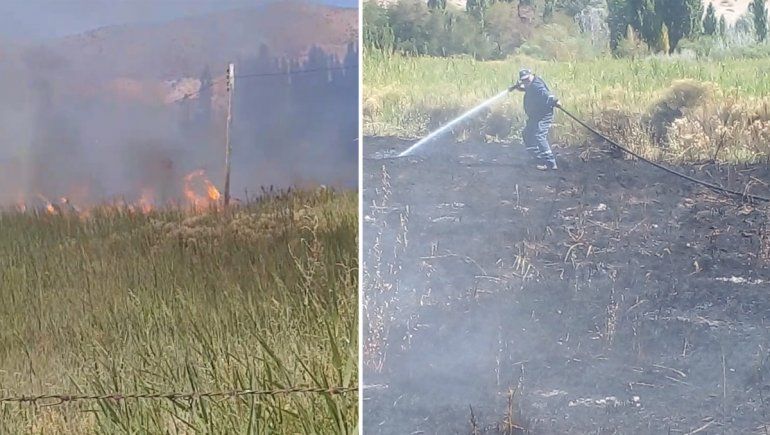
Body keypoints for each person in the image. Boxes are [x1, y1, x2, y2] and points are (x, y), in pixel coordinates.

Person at [509, 69, 560, 170]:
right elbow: (528, 88)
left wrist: (555, 101)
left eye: (527, 79)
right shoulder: (531, 84)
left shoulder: (537, 85)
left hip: (543, 115)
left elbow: (546, 94)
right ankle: (539, 158)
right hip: (535, 116)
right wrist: (519, 87)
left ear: (531, 75)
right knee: (527, 134)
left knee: (539, 135)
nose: (526, 81)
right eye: (523, 80)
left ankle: (550, 163)